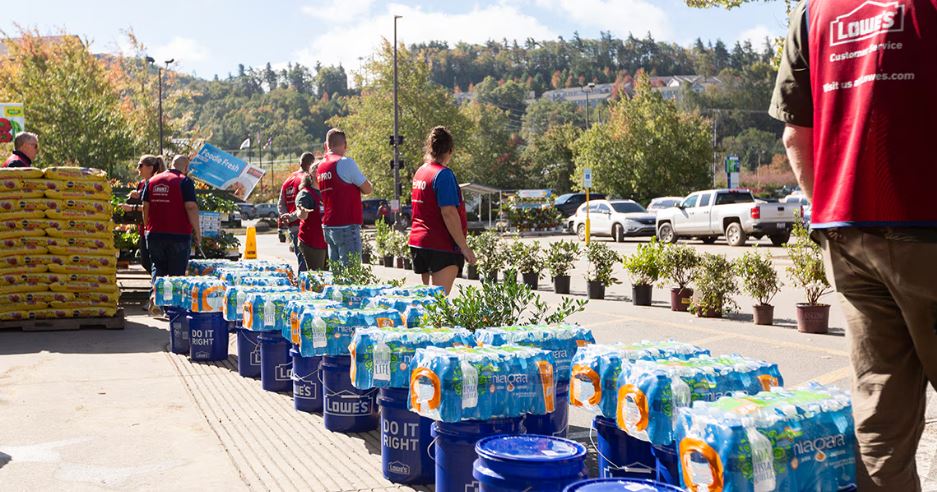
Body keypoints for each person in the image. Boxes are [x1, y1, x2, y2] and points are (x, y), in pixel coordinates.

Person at [771, 1, 937, 490]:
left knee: (880, 418)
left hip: (847, 232)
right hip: (926, 229)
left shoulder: (812, 13)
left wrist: (829, 205)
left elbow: (794, 138)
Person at [408, 126, 476, 295]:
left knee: (425, 302)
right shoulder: (443, 175)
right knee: (438, 303)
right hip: (440, 245)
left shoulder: (420, 172)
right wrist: (464, 247)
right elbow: (449, 213)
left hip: (419, 242)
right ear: (450, 150)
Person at [143, 155, 200, 315]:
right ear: (186, 167)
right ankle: (174, 310)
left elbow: (145, 206)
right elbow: (190, 207)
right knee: (176, 273)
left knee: (158, 267)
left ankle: (155, 297)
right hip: (179, 234)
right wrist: (197, 231)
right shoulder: (185, 181)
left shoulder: (152, 181)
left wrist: (147, 226)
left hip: (154, 234)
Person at [315, 128, 373, 265]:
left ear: (326, 145)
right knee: (351, 275)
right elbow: (367, 188)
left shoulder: (320, 166)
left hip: (329, 225)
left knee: (337, 275)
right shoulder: (345, 162)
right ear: (345, 145)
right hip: (347, 225)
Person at [121, 155, 165, 274]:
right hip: (144, 228)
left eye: (140, 165)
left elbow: (154, 207)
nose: (138, 168)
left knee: (154, 262)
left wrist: (132, 208)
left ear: (150, 168)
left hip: (155, 228)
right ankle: (158, 284)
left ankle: (159, 285)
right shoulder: (141, 184)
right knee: (145, 261)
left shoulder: (159, 184)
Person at [281, 169, 328, 271]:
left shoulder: (325, 191)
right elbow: (300, 213)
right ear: (311, 175)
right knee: (316, 275)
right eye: (318, 170)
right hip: (312, 243)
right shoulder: (305, 194)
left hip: (326, 241)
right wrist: (302, 212)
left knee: (327, 276)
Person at [278, 152, 316, 272]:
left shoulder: (288, 180)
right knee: (309, 263)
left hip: (292, 227)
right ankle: (305, 288)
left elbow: (281, 203)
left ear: (300, 162)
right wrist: (292, 217)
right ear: (311, 164)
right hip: (306, 226)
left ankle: (303, 286)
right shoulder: (308, 179)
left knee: (301, 259)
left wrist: (285, 216)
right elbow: (303, 207)